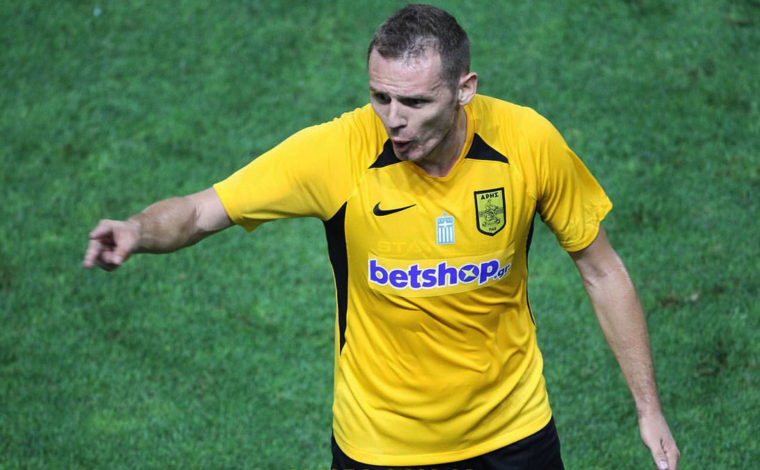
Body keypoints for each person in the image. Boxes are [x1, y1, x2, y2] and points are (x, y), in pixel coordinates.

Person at [83, 4, 679, 470]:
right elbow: (199, 211)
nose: (394, 118)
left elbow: (601, 269)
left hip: (513, 432)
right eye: (380, 96)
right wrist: (137, 230)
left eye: (415, 101)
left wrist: (648, 408)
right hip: (381, 446)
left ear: (465, 89)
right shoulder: (338, 153)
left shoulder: (527, 143)